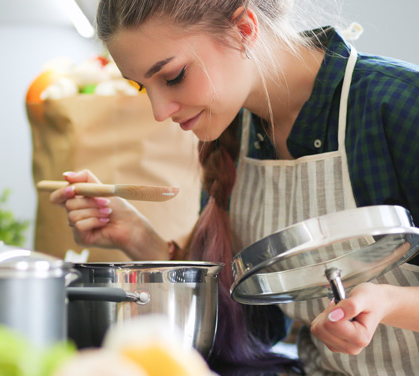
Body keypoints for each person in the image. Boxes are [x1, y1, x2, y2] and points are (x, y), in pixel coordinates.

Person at [47, 0, 419, 374]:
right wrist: (139, 237)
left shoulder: (399, 103)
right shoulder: (234, 135)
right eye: (143, 87)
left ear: (244, 29)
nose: (160, 112)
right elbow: (255, 327)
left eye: (173, 76)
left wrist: (389, 302)